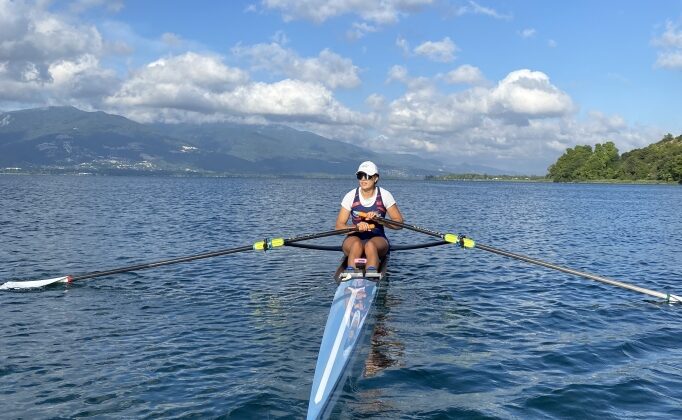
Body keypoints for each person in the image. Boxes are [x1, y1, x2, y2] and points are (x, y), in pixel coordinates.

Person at [335, 161, 403, 272]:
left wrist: (381, 221)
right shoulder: (350, 195)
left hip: (378, 238)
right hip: (353, 239)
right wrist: (356, 227)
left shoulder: (385, 195)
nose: (362, 179)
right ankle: (350, 273)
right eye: (359, 176)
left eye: (366, 176)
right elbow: (338, 226)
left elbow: (399, 223)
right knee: (357, 245)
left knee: (370, 245)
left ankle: (371, 274)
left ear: (375, 178)